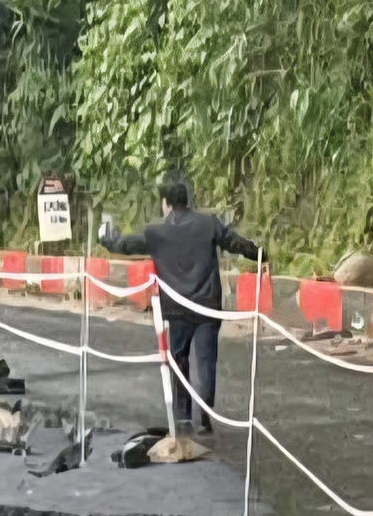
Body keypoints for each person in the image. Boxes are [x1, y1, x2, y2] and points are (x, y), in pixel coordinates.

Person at [99, 179, 261, 434]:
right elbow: (235, 242)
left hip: (176, 308)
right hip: (207, 307)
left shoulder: (158, 233)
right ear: (187, 201)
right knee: (206, 361)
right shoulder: (209, 224)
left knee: (178, 359)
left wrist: (107, 238)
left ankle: (184, 414)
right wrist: (259, 253)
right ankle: (204, 419)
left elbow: (126, 245)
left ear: (166, 204)